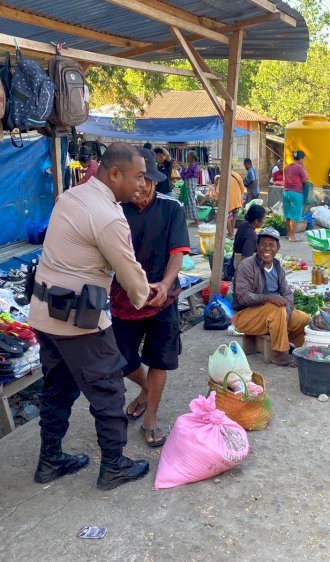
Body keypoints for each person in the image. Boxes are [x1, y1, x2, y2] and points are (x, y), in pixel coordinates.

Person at [28, 143, 151, 491]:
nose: (141, 185)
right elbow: (131, 277)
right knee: (108, 390)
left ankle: (49, 459)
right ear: (115, 174)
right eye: (138, 176)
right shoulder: (108, 217)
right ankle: (114, 466)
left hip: (44, 314)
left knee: (58, 388)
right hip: (79, 322)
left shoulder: (72, 196)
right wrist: (147, 293)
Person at [110, 149, 189, 448]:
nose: (142, 187)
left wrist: (166, 285)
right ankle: (146, 390)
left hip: (162, 299)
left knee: (160, 360)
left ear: (155, 181)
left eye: (147, 180)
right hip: (124, 299)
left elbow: (177, 253)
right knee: (123, 361)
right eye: (138, 179)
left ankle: (151, 417)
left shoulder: (172, 209)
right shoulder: (116, 210)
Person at [232, 227, 311, 367]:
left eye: (271, 245)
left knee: (304, 318)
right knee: (277, 308)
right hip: (245, 317)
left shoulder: (277, 267)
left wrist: (286, 314)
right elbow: (243, 296)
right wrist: (267, 297)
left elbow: (287, 293)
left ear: (277, 248)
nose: (266, 248)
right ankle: (280, 355)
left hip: (271, 315)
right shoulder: (246, 265)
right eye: (263, 244)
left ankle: (297, 350)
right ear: (257, 246)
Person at [283, 151, 309, 242]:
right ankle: (292, 236)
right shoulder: (300, 168)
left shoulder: (287, 167)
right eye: (304, 159)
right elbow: (306, 180)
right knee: (294, 215)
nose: (304, 161)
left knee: (288, 215)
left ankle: (288, 234)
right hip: (296, 193)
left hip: (286, 192)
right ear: (301, 159)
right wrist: (304, 169)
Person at [215, 172, 247, 237]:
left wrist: (216, 200)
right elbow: (242, 188)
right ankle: (232, 232)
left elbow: (218, 191)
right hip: (237, 199)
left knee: (228, 218)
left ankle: (230, 233)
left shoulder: (223, 177)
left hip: (228, 200)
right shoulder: (237, 175)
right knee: (234, 217)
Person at [180, 151, 200, 226]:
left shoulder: (192, 166)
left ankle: (196, 221)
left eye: (188, 157)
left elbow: (186, 176)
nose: (187, 158)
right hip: (192, 183)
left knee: (190, 201)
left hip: (190, 184)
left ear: (192, 158)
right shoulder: (195, 165)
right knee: (191, 200)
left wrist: (183, 168)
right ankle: (195, 221)